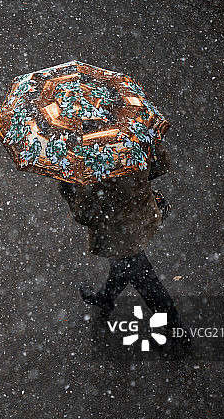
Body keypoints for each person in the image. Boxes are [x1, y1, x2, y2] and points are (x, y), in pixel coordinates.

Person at [58, 142, 187, 342]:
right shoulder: (131, 136)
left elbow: (84, 214)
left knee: (146, 281)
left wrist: (68, 189)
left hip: (118, 234)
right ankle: (105, 299)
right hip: (141, 216)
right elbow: (161, 163)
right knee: (125, 267)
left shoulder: (90, 166)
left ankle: (177, 332)